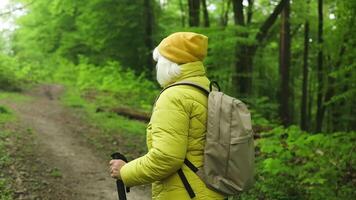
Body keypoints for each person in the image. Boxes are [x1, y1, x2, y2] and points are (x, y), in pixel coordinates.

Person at [109, 32, 225, 200]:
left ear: (169, 63)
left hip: (186, 193)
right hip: (214, 190)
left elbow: (166, 158)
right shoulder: (209, 89)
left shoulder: (174, 97)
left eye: (159, 61)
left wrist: (124, 171)